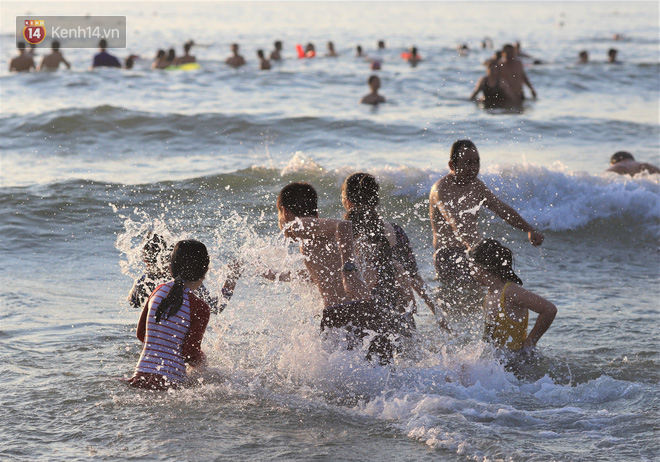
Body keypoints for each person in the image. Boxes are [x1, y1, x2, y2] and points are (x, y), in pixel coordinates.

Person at [268, 182, 393, 364]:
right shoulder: (316, 237)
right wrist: (267, 272)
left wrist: (349, 271)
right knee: (382, 378)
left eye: (278, 215)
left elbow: (344, 226)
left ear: (284, 212)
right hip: (365, 311)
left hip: (341, 314)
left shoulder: (298, 225)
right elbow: (315, 276)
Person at [429, 140, 544, 306]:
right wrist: (477, 253)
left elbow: (500, 208)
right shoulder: (441, 188)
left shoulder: (476, 186)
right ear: (452, 165)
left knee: (478, 304)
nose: (473, 168)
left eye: (477, 162)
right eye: (467, 163)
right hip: (449, 256)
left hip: (474, 252)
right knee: (455, 306)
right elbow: (455, 222)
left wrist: (529, 229)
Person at [341, 173, 451, 334]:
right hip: (400, 318)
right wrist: (439, 315)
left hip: (364, 321)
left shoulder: (342, 236)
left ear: (347, 202)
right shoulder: (396, 232)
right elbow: (415, 278)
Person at [126, 240, 212, 390]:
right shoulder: (201, 308)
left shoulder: (157, 291)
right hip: (170, 384)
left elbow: (141, 334)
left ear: (171, 268)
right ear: (205, 271)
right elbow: (189, 353)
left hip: (139, 376)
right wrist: (205, 364)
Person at [470, 239, 556, 356]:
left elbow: (549, 309)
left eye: (471, 266)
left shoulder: (510, 291)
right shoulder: (491, 292)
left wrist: (530, 343)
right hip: (497, 360)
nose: (470, 271)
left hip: (515, 360)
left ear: (479, 267)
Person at [128, 233, 219, 313]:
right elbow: (215, 308)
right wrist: (231, 280)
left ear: (145, 261)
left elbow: (132, 302)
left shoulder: (143, 281)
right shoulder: (188, 282)